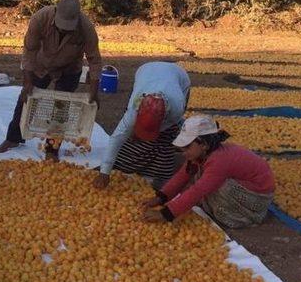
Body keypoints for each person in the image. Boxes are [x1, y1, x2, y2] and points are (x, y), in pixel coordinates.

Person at [0, 0, 102, 160]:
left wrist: (94, 90)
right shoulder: (40, 18)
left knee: (61, 108)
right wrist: (27, 83)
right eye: (62, 26)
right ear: (56, 12)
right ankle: (13, 139)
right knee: (26, 99)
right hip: (42, 65)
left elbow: (94, 60)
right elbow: (29, 51)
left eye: (68, 28)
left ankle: (52, 150)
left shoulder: (86, 27)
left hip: (70, 68)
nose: (64, 30)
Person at [141, 115, 275, 228]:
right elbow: (182, 175)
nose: (183, 153)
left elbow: (198, 190)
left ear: (204, 145)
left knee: (217, 186)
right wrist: (161, 197)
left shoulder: (219, 161)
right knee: (200, 176)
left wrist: (165, 214)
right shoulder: (202, 154)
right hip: (243, 182)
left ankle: (243, 217)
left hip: (258, 194)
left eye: (187, 147)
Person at [94, 62, 191, 189]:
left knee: (165, 138)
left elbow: (173, 124)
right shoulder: (133, 109)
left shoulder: (176, 107)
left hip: (179, 76)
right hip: (146, 71)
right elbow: (117, 138)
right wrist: (104, 172)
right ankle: (125, 164)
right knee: (129, 140)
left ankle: (158, 176)